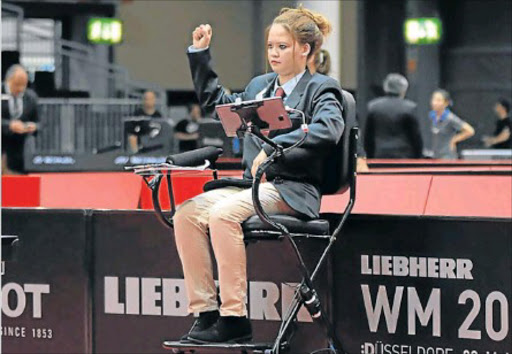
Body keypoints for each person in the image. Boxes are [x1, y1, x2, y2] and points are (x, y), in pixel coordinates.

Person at [174, 6, 344, 344]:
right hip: (252, 187)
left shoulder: (322, 89)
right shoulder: (260, 86)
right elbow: (219, 105)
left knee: (223, 215)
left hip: (293, 190)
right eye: (270, 47)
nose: (274, 54)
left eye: (282, 47)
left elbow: (327, 129)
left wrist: (273, 148)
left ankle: (234, 318)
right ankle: (206, 313)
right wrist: (200, 55)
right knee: (187, 214)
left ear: (304, 49)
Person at [307, 49, 370, 172]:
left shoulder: (321, 93)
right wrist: (360, 156)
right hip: (334, 160)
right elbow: (353, 129)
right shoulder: (336, 92)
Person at [364, 73, 423, 159]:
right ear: (403, 90)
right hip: (404, 156)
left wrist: (369, 156)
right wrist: (418, 157)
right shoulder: (410, 108)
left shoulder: (373, 106)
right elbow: (416, 137)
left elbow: (368, 136)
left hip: (379, 155)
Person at [1, 65, 39, 174]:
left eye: (24, 85)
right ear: (8, 80)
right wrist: (9, 125)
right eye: (17, 84)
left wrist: (34, 127)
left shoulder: (31, 97)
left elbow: (40, 122)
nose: (20, 89)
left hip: (19, 151)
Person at [429, 89, 475, 159]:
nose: (435, 103)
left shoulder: (450, 118)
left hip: (447, 156)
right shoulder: (432, 116)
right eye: (434, 100)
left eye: (438, 100)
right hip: (436, 155)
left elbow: (470, 131)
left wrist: (454, 140)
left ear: (446, 103)